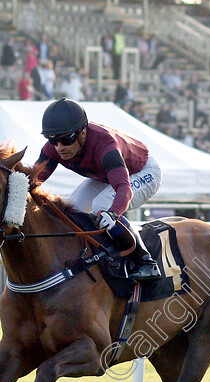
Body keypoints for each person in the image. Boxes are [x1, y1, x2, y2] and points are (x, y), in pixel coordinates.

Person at [35, 98, 162, 280]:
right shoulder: (54, 148)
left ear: (82, 133)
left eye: (66, 139)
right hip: (107, 176)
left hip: (143, 171)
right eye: (53, 141)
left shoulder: (105, 145)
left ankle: (145, 261)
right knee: (72, 207)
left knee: (102, 205)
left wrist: (114, 213)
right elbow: (34, 179)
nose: (59, 148)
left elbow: (123, 188)